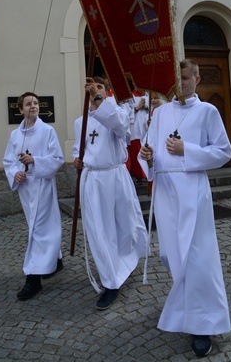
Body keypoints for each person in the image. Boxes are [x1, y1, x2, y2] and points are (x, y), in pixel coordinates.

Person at [140, 59, 231, 357]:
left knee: (197, 256)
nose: (181, 84)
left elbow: (223, 152)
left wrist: (186, 150)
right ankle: (186, 306)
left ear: (197, 78)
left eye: (185, 78)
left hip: (192, 190)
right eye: (177, 79)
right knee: (171, 254)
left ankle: (203, 324)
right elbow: (150, 152)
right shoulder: (160, 112)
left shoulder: (208, 111)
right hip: (165, 191)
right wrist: (148, 155)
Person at [73, 77, 148, 310]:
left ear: (107, 92)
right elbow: (79, 147)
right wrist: (77, 159)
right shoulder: (81, 122)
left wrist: (100, 98)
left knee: (125, 225)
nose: (95, 93)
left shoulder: (120, 113)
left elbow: (120, 126)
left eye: (100, 89)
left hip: (116, 176)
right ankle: (110, 281)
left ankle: (127, 261)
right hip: (94, 179)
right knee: (99, 231)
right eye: (91, 90)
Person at [3, 92, 65, 301]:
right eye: (29, 104)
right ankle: (55, 261)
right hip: (25, 187)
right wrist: (15, 173)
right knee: (37, 227)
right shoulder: (15, 135)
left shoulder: (47, 131)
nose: (34, 106)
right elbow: (9, 161)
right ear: (21, 109)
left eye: (36, 103)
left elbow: (57, 158)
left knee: (38, 229)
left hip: (43, 185)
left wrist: (34, 161)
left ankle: (33, 278)